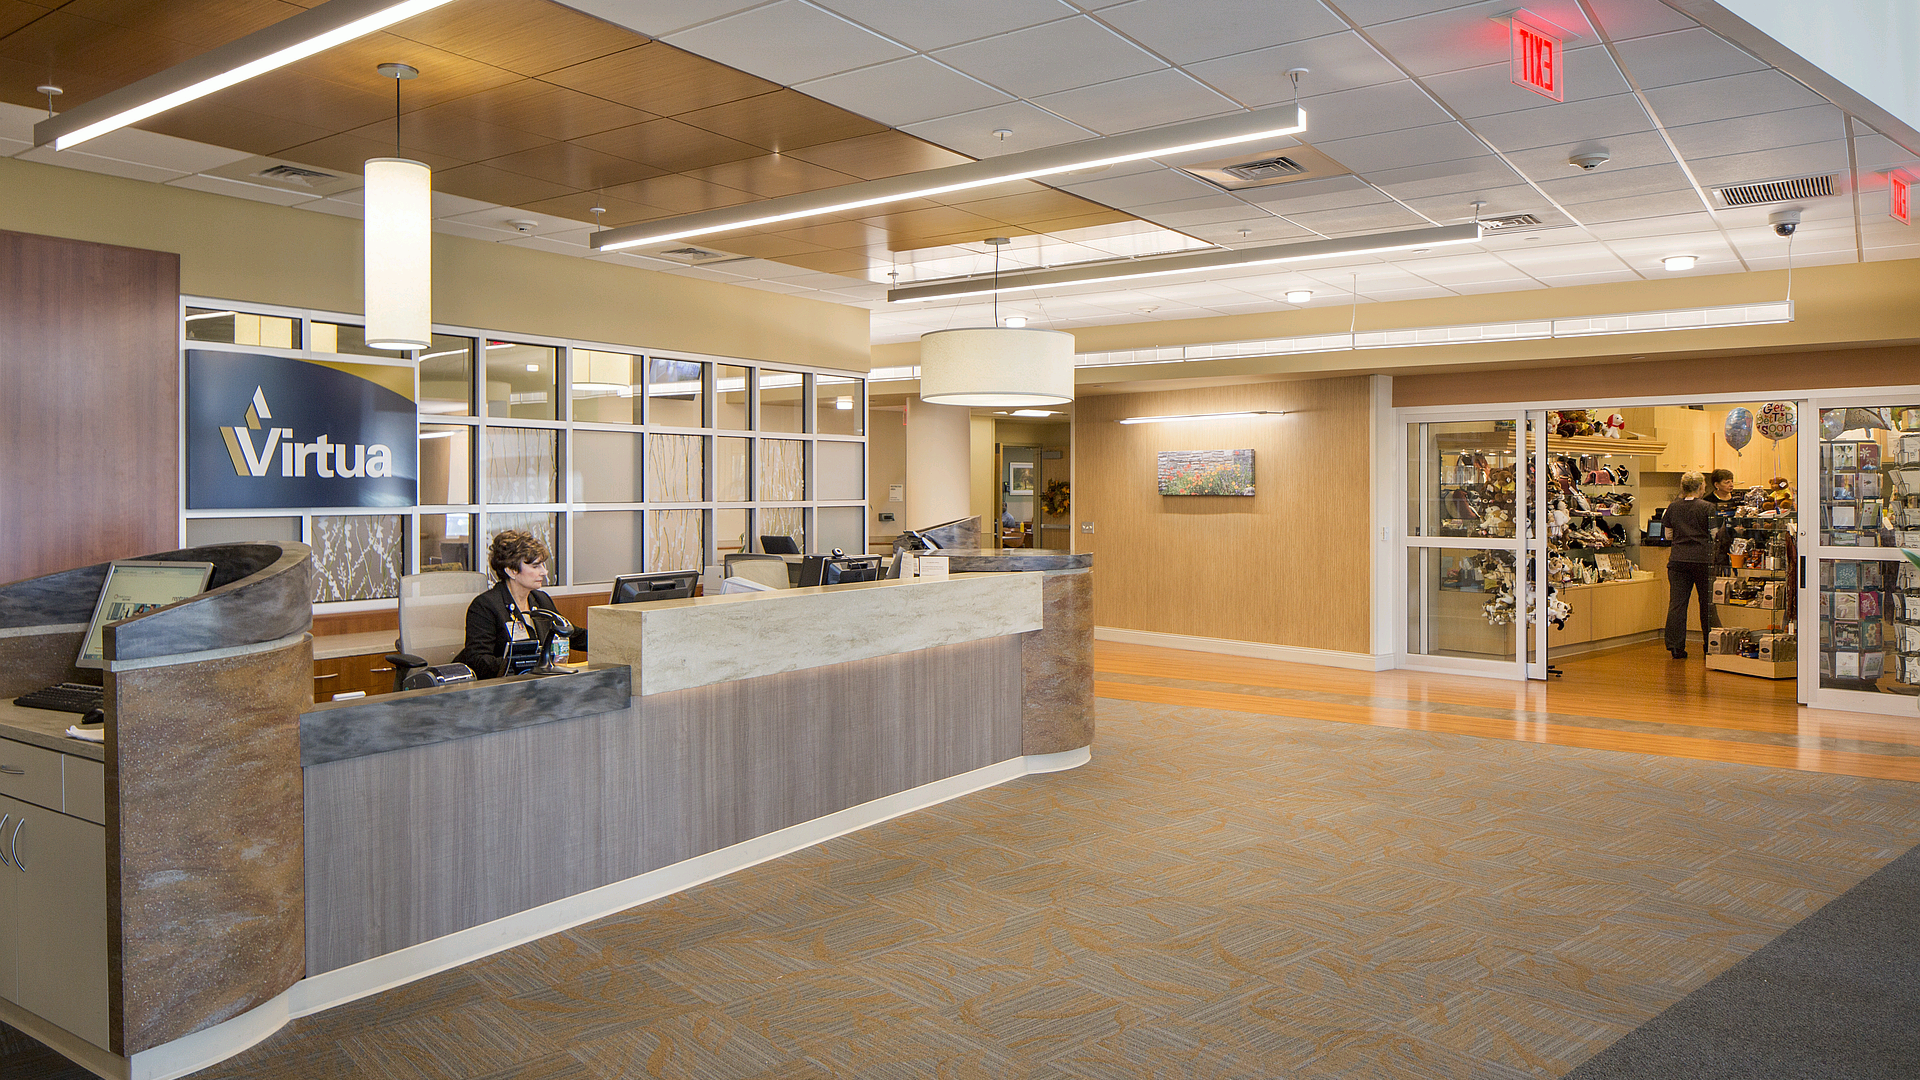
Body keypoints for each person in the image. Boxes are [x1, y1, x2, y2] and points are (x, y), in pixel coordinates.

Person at [456, 530, 563, 679]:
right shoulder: (485, 606)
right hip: (498, 689)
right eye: (535, 566)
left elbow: (569, 632)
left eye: (542, 565)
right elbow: (478, 661)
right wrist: (528, 663)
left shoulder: (541, 600)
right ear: (512, 571)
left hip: (533, 683)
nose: (544, 572)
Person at [1663, 472, 1717, 660]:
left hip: (1678, 560)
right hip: (1703, 560)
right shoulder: (1708, 507)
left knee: (1677, 604)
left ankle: (1675, 647)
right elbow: (1715, 533)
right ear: (1701, 486)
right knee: (1707, 604)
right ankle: (1711, 645)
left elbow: (1668, 535)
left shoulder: (1673, 507)